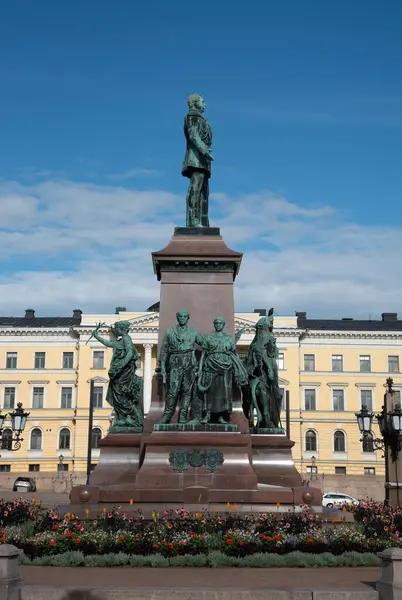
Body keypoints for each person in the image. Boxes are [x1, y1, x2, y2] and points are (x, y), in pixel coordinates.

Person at [92, 320, 143, 428]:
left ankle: (134, 417)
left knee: (121, 394)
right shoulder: (121, 341)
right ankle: (123, 418)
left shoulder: (126, 339)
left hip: (124, 373)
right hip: (118, 374)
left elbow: (130, 353)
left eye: (117, 328)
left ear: (123, 329)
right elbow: (109, 343)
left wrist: (121, 365)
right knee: (118, 395)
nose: (115, 330)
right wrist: (96, 336)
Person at [198, 317, 248, 424]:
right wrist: (200, 368)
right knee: (209, 392)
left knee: (224, 392)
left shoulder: (229, 339)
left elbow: (234, 355)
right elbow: (203, 354)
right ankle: (207, 414)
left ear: (223, 325)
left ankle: (221, 415)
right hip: (210, 365)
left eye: (220, 323)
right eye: (216, 323)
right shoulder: (209, 338)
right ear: (214, 325)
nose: (218, 325)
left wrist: (239, 367)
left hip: (225, 367)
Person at [159, 309, 203, 424]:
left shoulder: (193, 332)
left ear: (188, 318)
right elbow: (164, 351)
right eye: (180, 316)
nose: (182, 318)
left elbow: (205, 343)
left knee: (187, 391)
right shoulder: (170, 332)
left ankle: (182, 416)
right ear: (177, 318)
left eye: (185, 316)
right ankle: (167, 416)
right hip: (176, 360)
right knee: (173, 390)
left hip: (189, 361)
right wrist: (163, 368)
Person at [182, 93, 213, 227]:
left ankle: (203, 220)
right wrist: (203, 150)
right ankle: (193, 220)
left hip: (203, 160)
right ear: (195, 103)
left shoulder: (200, 118)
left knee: (204, 190)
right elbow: (193, 134)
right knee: (196, 187)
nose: (205, 104)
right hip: (196, 158)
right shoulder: (192, 116)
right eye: (202, 101)